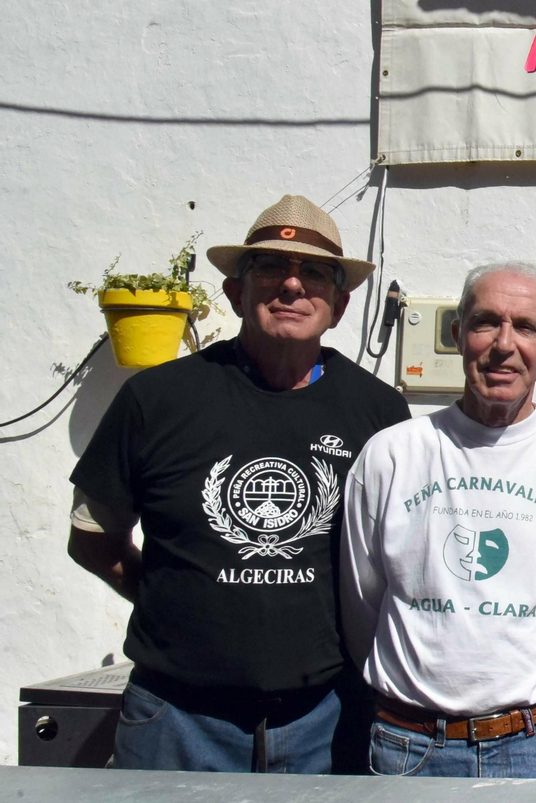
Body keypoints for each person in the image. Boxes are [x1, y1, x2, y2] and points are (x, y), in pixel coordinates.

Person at [67, 195, 411, 773]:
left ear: (342, 303)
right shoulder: (155, 401)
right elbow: (92, 538)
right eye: (271, 268)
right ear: (235, 292)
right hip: (175, 721)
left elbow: (399, 556)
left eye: (315, 273)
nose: (293, 286)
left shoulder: (378, 412)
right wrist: (174, 602)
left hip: (326, 719)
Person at [340, 262, 536, 778]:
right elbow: (363, 606)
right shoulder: (391, 456)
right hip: (411, 745)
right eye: (486, 322)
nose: (503, 345)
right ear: (457, 333)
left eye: (526, 327)